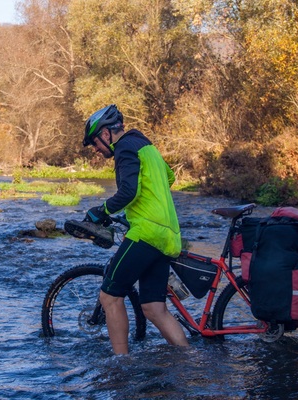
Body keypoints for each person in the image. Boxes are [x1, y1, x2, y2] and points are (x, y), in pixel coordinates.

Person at [82, 104, 189, 354]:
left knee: (109, 297)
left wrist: (102, 210)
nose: (96, 149)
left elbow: (129, 192)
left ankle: (122, 364)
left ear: (107, 134)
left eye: (95, 142)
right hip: (168, 236)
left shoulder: (125, 148)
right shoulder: (146, 146)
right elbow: (169, 178)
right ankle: (189, 358)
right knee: (153, 307)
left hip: (146, 234)